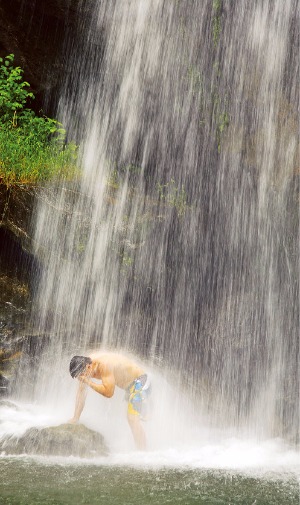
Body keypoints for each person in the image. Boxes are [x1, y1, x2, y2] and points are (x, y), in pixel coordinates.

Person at [68, 351, 151, 450]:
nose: (81, 378)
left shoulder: (103, 365)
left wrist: (88, 381)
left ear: (88, 367)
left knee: (132, 419)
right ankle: (147, 411)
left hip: (141, 381)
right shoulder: (85, 364)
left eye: (81, 375)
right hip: (130, 387)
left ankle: (143, 454)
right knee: (132, 417)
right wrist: (75, 417)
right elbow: (81, 394)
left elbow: (109, 393)